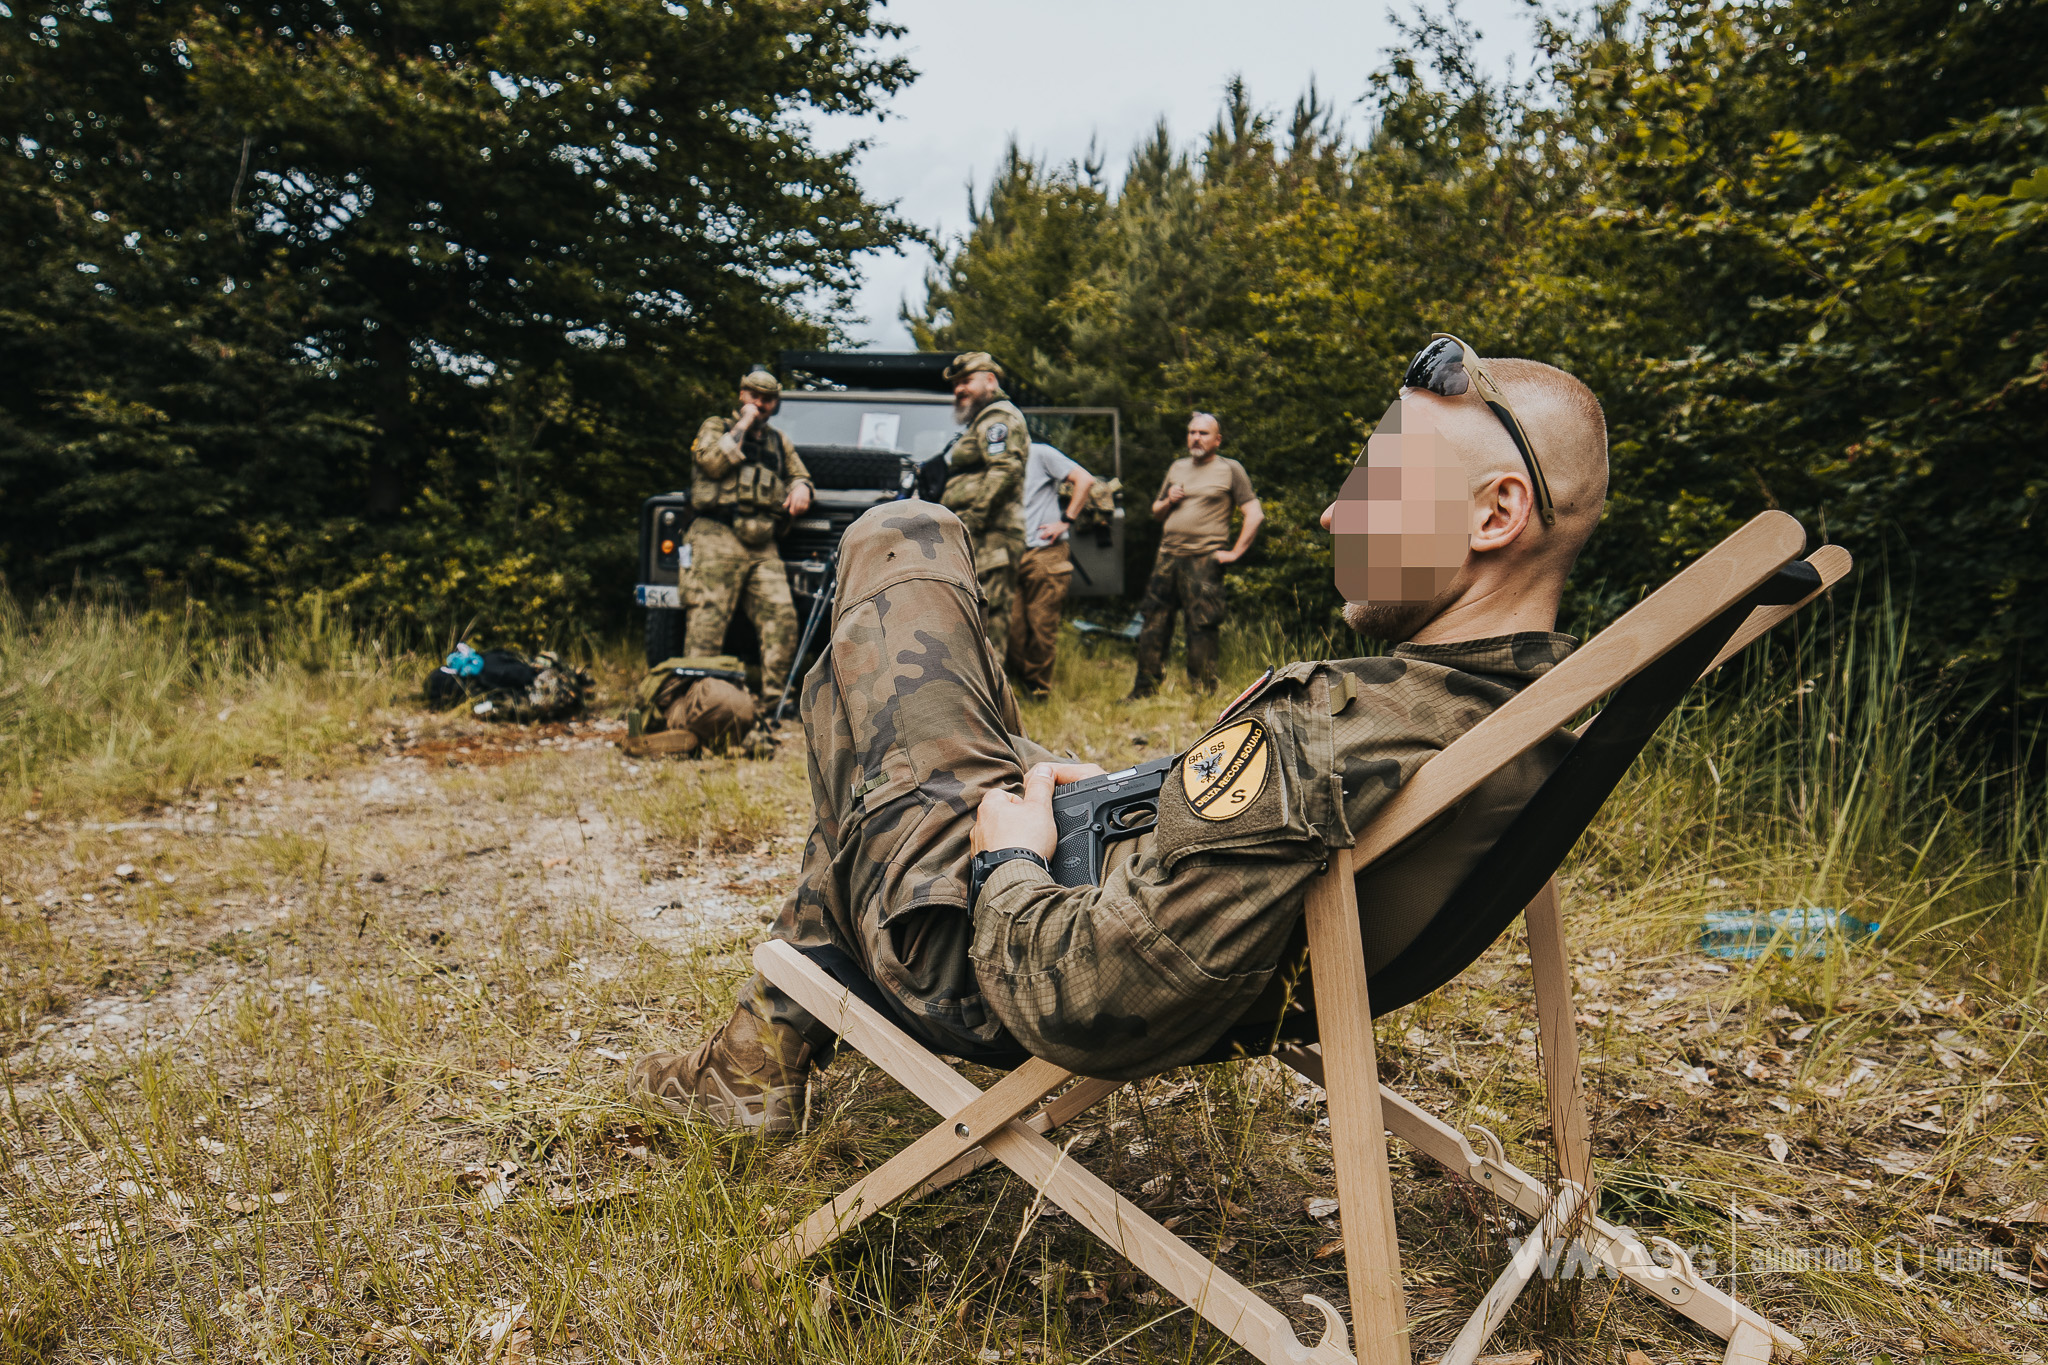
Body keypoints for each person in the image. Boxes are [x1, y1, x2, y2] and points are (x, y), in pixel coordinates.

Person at [628, 348, 1608, 1131]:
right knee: (920, 688)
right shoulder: (1521, 706)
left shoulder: (1335, 734)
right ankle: (755, 1055)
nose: (1336, 511)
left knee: (903, 538)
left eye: (1379, 479)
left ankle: (750, 1059)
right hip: (1091, 869)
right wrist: (1136, 795)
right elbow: (1237, 848)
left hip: (972, 944)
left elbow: (1092, 994)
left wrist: (1008, 853)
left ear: (1495, 513)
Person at [682, 370, 815, 714]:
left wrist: (802, 487)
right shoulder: (717, 427)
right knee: (708, 620)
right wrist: (742, 424)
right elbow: (711, 462)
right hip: (717, 536)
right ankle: (699, 702)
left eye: (767, 399)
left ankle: (776, 699)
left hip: (762, 544)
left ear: (775, 403)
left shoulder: (778, 442)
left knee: (782, 617)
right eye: (754, 396)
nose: (760, 404)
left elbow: (799, 473)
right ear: (742, 394)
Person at [1129, 412, 1263, 699]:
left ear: (1217, 439)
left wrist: (1236, 552)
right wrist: (1168, 500)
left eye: (1203, 433)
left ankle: (1202, 692)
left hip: (1204, 558)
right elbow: (1156, 512)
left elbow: (1254, 513)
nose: (1195, 438)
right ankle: (1145, 689)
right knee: (1153, 621)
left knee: (1202, 623)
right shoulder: (1177, 467)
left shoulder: (1230, 469)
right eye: (1192, 432)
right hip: (1167, 556)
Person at [938, 352, 1029, 662]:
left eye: (966, 381)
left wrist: (971, 520)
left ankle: (990, 707)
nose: (959, 390)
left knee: (987, 626)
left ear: (990, 380)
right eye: (955, 385)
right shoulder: (981, 420)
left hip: (990, 534)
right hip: (979, 535)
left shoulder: (999, 418)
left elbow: (1005, 469)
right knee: (970, 623)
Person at [1005, 441, 1097, 697]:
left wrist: (1065, 521)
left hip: (1045, 552)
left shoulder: (1039, 453)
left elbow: (1085, 480)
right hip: (1007, 555)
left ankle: (1037, 691)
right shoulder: (994, 459)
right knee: (1010, 627)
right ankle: (1014, 688)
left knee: (1041, 626)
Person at [625, 656, 757, 758]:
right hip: (744, 708)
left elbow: (661, 702)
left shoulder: (664, 673)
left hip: (704, 704)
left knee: (677, 712)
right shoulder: (731, 667)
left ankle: (699, 741)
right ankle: (722, 744)